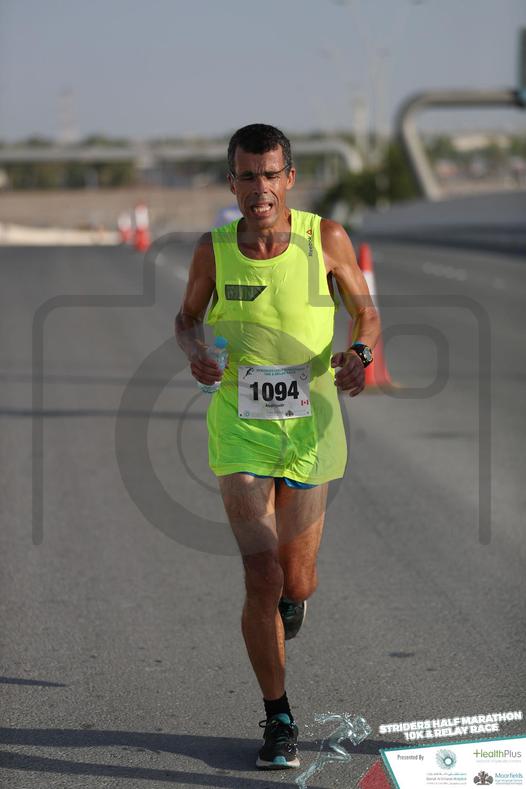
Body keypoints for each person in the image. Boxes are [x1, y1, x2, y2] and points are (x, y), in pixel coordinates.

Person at [175, 123, 380, 770]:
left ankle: (293, 601)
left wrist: (360, 354)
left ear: (289, 178)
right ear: (231, 182)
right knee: (261, 574)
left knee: (297, 579)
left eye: (270, 174)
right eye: (247, 175)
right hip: (242, 423)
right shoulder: (214, 250)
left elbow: (366, 312)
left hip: (312, 423)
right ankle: (279, 717)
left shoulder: (326, 239)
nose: (259, 188)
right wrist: (194, 350)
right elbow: (186, 317)